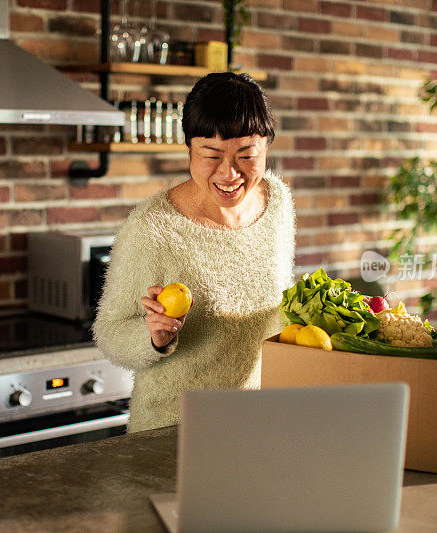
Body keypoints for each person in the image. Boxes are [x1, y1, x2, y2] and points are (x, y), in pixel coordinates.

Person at [93, 72, 296, 432]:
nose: (229, 173)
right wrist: (153, 336)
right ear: (189, 148)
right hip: (172, 431)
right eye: (211, 155)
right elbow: (108, 332)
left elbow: (276, 307)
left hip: (258, 422)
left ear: (266, 148)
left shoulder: (277, 202)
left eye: (247, 155)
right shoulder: (153, 227)